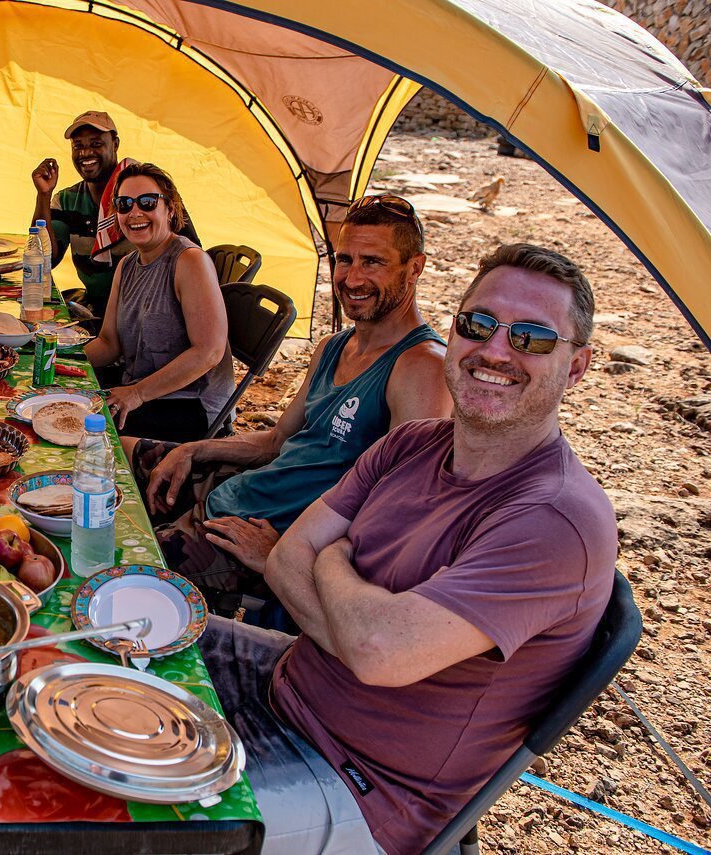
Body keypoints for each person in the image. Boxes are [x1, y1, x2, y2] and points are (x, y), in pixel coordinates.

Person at [201, 243, 616, 855]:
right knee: (104, 643)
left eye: (531, 337)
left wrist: (333, 560)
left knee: (115, 817)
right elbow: (288, 558)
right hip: (288, 681)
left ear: (575, 367)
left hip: (362, 787)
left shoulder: (556, 520)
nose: (496, 351)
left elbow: (378, 651)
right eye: (479, 325)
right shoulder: (414, 444)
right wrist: (355, 619)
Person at [135, 195, 451, 621]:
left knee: (124, 570)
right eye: (345, 260)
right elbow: (277, 440)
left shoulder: (420, 367)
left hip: (257, 534)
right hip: (243, 488)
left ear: (415, 268)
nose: (352, 278)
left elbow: (395, 514)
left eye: (373, 262)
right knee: (108, 452)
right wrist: (192, 450)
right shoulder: (334, 345)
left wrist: (284, 558)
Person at [80, 162, 232, 443]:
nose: (135, 213)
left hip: (190, 405)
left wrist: (137, 394)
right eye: (124, 204)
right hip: (142, 394)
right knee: (58, 408)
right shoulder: (127, 265)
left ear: (170, 209)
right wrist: (62, 362)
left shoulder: (189, 261)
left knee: (81, 433)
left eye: (147, 202)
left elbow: (209, 352)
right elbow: (109, 343)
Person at [31, 110, 201, 316]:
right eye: (78, 146)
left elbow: (189, 252)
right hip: (98, 308)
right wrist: (43, 195)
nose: (85, 153)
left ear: (116, 144)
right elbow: (42, 260)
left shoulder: (149, 192)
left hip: (148, 309)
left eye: (96, 144)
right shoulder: (66, 200)